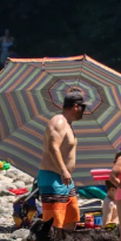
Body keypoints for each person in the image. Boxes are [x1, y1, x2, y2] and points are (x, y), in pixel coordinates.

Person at [38, 91, 85, 230]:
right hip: (53, 177)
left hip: (66, 181)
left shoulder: (68, 124)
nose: (84, 111)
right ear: (76, 106)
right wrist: (63, 170)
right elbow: (53, 148)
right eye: (83, 107)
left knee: (71, 219)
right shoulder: (58, 122)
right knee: (54, 224)